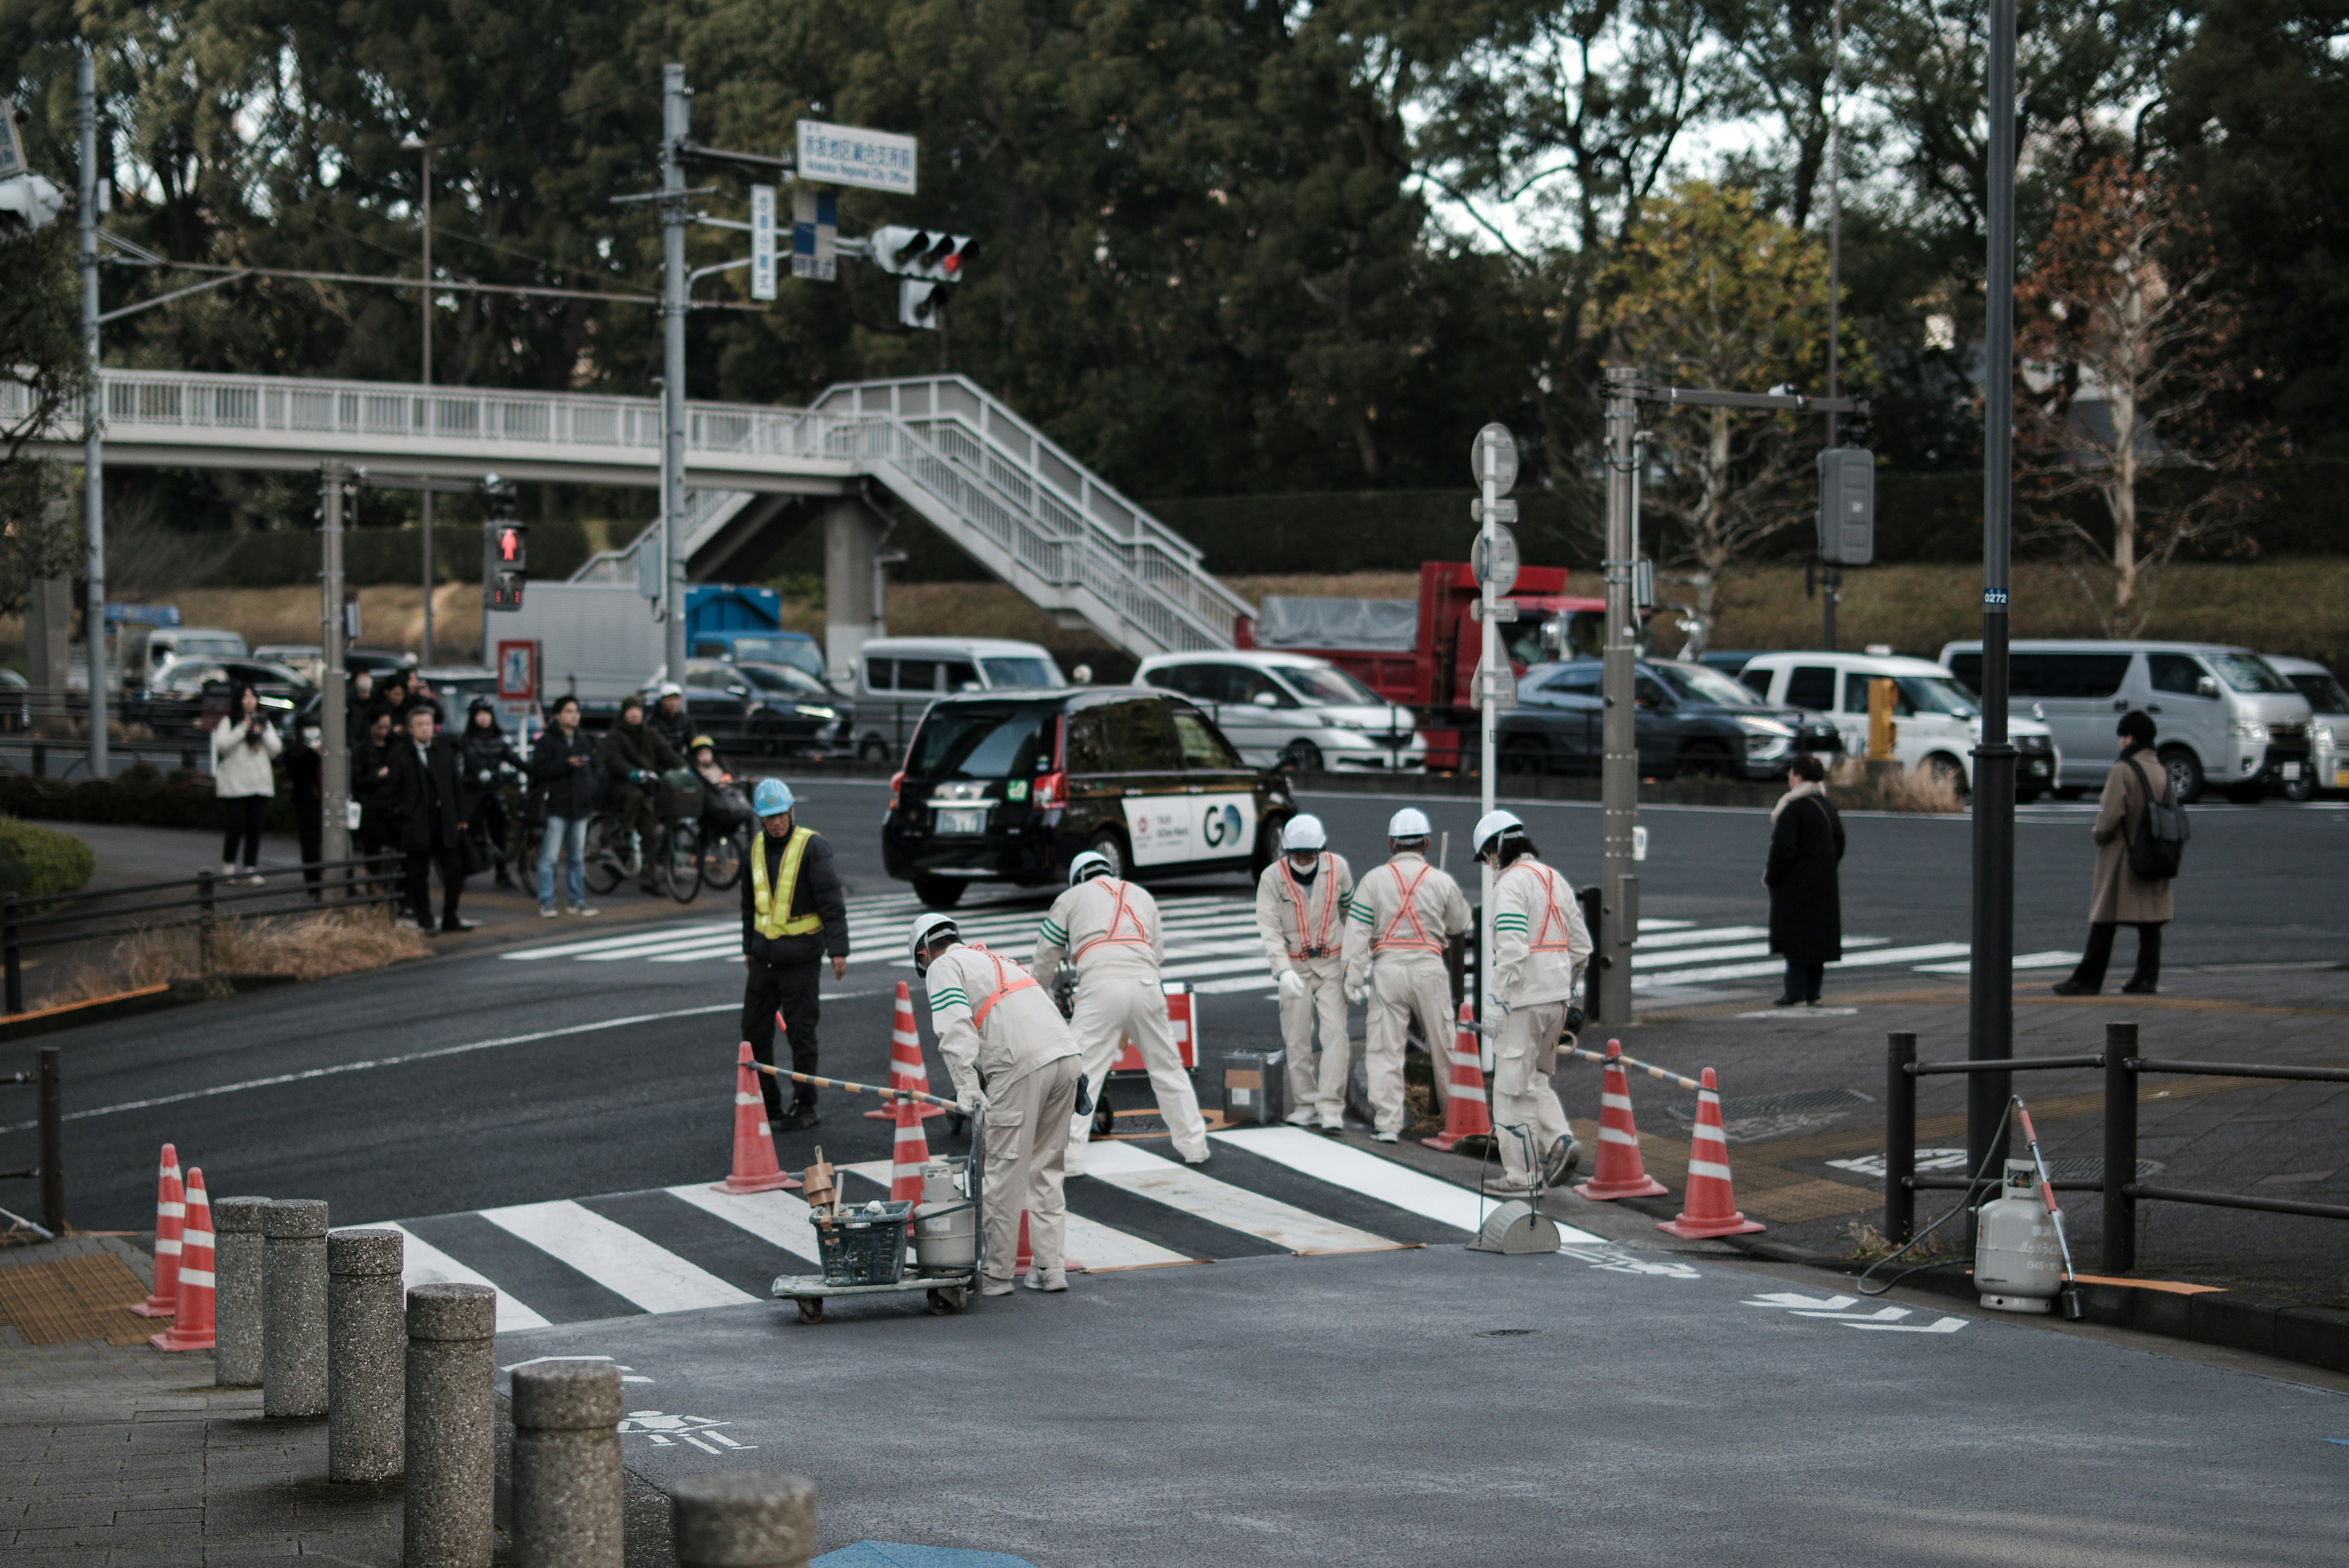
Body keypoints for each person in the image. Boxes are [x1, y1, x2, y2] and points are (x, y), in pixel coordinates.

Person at [912, 911, 1083, 1295]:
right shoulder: (997, 959)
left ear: (924, 953)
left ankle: (996, 1275)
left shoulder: (942, 967)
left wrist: (967, 1088)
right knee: (1047, 1168)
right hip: (1067, 1057)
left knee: (1005, 1172)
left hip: (1019, 1066)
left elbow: (954, 1026)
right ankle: (1050, 1269)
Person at [1035, 850, 1209, 1172]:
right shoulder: (1142, 894)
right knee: (1168, 1069)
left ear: (1078, 878)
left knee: (1081, 1075)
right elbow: (1156, 952)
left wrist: (1037, 993)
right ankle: (1195, 1146)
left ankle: (1070, 1158)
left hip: (1100, 986)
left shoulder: (1071, 897)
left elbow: (1047, 953)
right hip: (1146, 984)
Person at [1474, 810, 1588, 1194]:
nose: (1489, 865)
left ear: (1497, 849)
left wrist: (1495, 1000)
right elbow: (1582, 947)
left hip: (1523, 1001)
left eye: (1487, 857)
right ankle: (1560, 1142)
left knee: (1510, 1090)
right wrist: (1568, 988)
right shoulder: (1555, 879)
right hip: (1556, 998)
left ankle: (1522, 1177)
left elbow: (1512, 949)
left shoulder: (1510, 886)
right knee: (1536, 1080)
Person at [1342, 808, 1472, 1142]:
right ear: (1427, 843)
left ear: (1391, 843)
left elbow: (1356, 931)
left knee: (1385, 1049)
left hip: (1387, 969)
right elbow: (1460, 924)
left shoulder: (1373, 880)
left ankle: (1388, 1122)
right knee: (1444, 1046)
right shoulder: (1441, 881)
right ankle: (1455, 1120)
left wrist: (1353, 976)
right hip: (1429, 968)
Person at [740, 779, 849, 1131]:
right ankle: (768, 1104)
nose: (776, 822)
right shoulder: (754, 848)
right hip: (764, 957)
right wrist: (747, 946)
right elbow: (749, 905)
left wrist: (838, 951)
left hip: (801, 957)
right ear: (760, 819)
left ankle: (805, 1106)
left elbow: (832, 900)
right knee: (753, 1032)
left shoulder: (812, 847)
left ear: (791, 811)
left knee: (801, 1033)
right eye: (769, 817)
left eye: (781, 815)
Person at [2054, 710, 2175, 996]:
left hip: (2124, 856)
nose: (2121, 742)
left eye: (2123, 736)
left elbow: (2110, 817)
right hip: (2157, 854)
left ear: (2130, 737)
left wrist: (2099, 835)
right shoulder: (2162, 771)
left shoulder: (2124, 770)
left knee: (2104, 918)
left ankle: (2087, 979)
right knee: (2150, 922)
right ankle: (2146, 979)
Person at [1254, 814, 1354, 1134]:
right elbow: (1268, 927)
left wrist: (1355, 965)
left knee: (1335, 1035)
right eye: (1297, 855)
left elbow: (1351, 913)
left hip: (1331, 964)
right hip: (1294, 967)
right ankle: (1305, 1103)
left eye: (1309, 854)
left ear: (1321, 849)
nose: (1304, 860)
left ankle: (1331, 1106)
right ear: (1286, 852)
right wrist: (1281, 970)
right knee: (1296, 1038)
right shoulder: (1272, 878)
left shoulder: (1338, 868)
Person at [1765, 752, 1845, 1006]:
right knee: (1817, 940)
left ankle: (1795, 992)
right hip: (1824, 884)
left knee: (1796, 939)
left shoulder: (1793, 808)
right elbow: (1839, 844)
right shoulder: (1826, 806)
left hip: (1795, 886)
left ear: (1797, 777)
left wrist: (1772, 876)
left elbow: (1783, 850)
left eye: (1791, 774)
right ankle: (1813, 991)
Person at [388, 703, 473, 934]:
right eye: (420, 725)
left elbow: (456, 786)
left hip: (444, 820)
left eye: (428, 724)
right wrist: (403, 815)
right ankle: (425, 919)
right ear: (410, 729)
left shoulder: (443, 751)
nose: (425, 729)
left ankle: (450, 917)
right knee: (418, 875)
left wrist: (461, 815)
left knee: (455, 871)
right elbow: (393, 791)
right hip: (417, 824)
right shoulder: (401, 756)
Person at [598, 694, 686, 871]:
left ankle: (651, 872)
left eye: (638, 710)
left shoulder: (649, 734)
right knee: (634, 795)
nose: (635, 714)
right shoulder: (615, 736)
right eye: (631, 710)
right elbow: (613, 761)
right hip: (620, 785)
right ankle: (625, 832)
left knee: (650, 830)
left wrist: (684, 768)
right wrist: (631, 773)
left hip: (647, 787)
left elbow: (666, 753)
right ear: (624, 713)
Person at [531, 694, 599, 918]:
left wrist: (590, 790)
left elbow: (593, 769)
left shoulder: (583, 739)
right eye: (569, 711)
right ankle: (546, 901)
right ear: (558, 715)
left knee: (577, 857)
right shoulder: (547, 740)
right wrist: (566, 765)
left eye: (576, 711)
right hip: (556, 803)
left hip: (579, 805)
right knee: (549, 857)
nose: (574, 716)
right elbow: (539, 770)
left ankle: (577, 900)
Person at [211, 685, 281, 883]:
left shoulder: (264, 721)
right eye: (245, 697)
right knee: (236, 825)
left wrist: (263, 731)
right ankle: (229, 866)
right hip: (234, 784)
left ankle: (251, 867)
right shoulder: (229, 721)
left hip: (259, 784)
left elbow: (276, 749)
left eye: (253, 697)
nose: (250, 701)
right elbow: (223, 746)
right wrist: (243, 728)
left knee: (255, 827)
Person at [457, 697, 525, 891]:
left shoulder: (498, 738)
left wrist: (532, 770)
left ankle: (502, 873)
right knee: (468, 830)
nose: (483, 718)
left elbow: (512, 757)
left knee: (500, 829)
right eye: (479, 714)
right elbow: (471, 759)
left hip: (493, 790)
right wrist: (481, 772)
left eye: (486, 714)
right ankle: (462, 871)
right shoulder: (468, 739)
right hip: (472, 791)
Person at [284, 721, 325, 893]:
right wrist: (312, 754)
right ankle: (313, 884)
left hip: (323, 799)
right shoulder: (294, 753)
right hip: (307, 802)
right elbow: (299, 774)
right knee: (311, 845)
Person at [648, 682, 692, 754]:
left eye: (676, 699)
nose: (673, 703)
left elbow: (691, 741)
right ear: (662, 700)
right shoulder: (652, 721)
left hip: (679, 760)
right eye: (670, 699)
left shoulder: (685, 720)